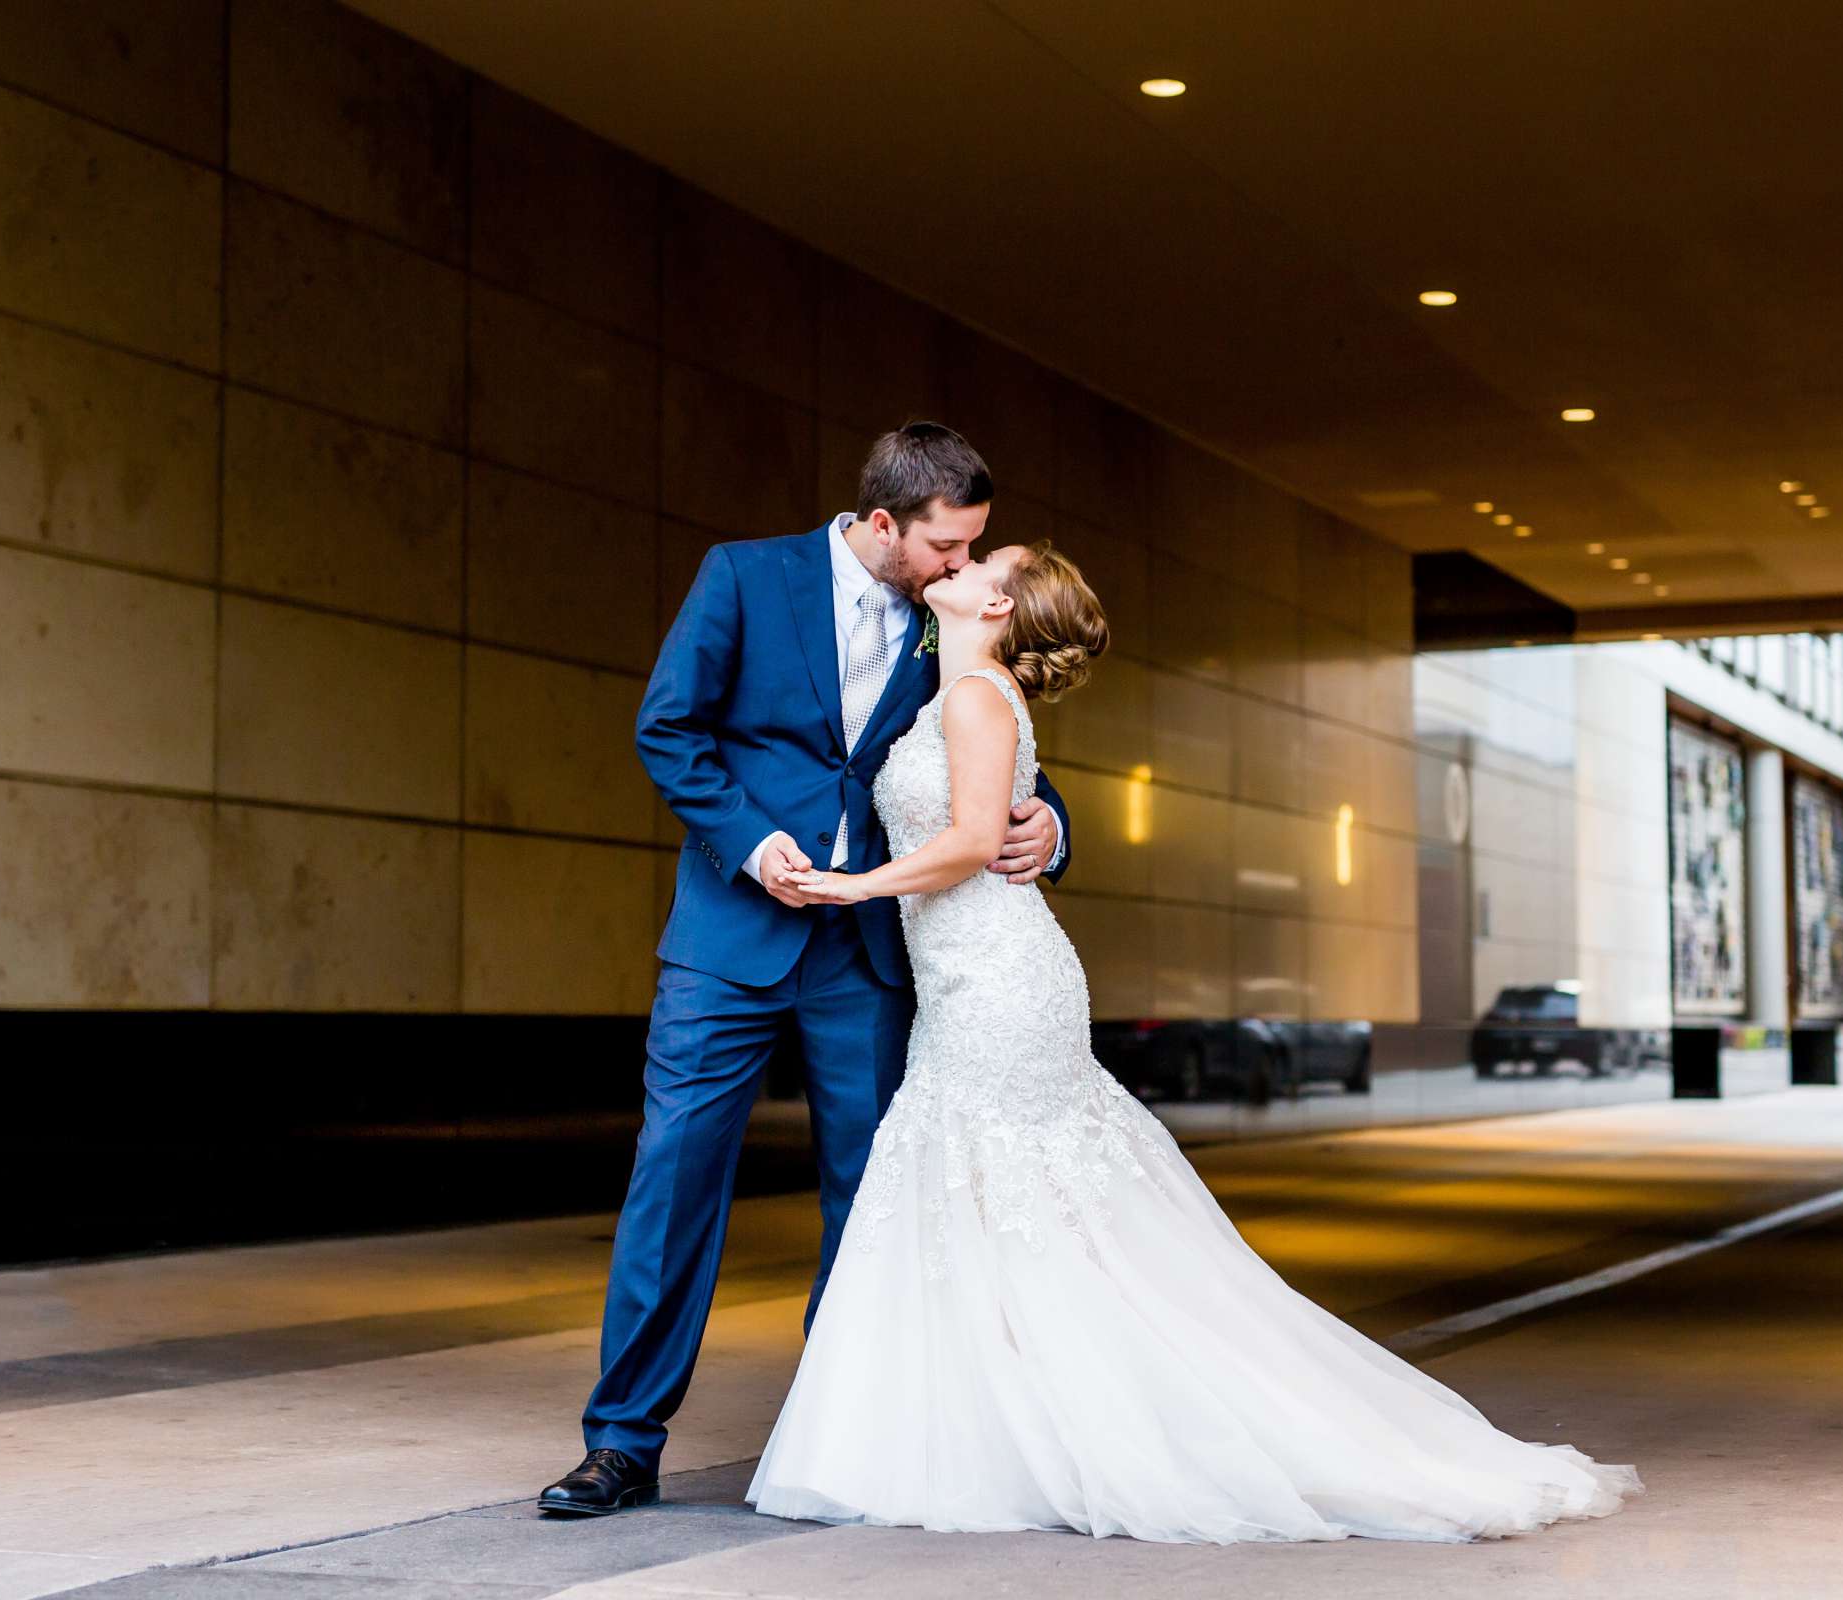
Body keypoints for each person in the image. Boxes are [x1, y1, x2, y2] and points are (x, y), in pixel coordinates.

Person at [745, 542, 1642, 1543]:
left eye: (978, 557)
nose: (952, 560)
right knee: (990, 1206)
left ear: (995, 601)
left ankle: (1063, 1427)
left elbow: (963, 842)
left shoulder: (977, 700)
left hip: (1001, 981)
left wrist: (849, 887)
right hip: (962, 982)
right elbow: (981, 818)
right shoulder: (951, 691)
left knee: (1017, 1199)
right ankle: (999, 1427)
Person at [537, 424, 1073, 1516]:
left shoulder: (952, 621)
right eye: (947, 547)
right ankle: (623, 1442)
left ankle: (841, 1438)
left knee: (867, 1197)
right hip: (729, 938)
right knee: (674, 1176)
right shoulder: (741, 578)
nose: (966, 568)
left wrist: (1050, 828)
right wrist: (747, 839)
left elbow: (1013, 751)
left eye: (973, 548)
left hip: (865, 950)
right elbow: (668, 729)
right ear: (884, 525)